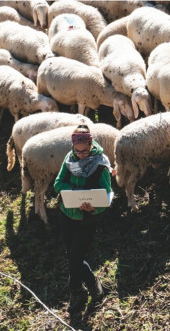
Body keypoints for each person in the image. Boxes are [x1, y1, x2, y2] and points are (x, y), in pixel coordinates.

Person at [54, 124, 113, 313]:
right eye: (78, 151)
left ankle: (76, 293)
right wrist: (73, 192)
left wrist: (94, 206)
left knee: (75, 256)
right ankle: (93, 285)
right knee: (72, 255)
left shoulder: (101, 164)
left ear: (91, 144)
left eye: (85, 151)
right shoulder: (69, 158)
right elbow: (58, 183)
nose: (81, 155)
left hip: (88, 218)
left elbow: (107, 193)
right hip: (67, 213)